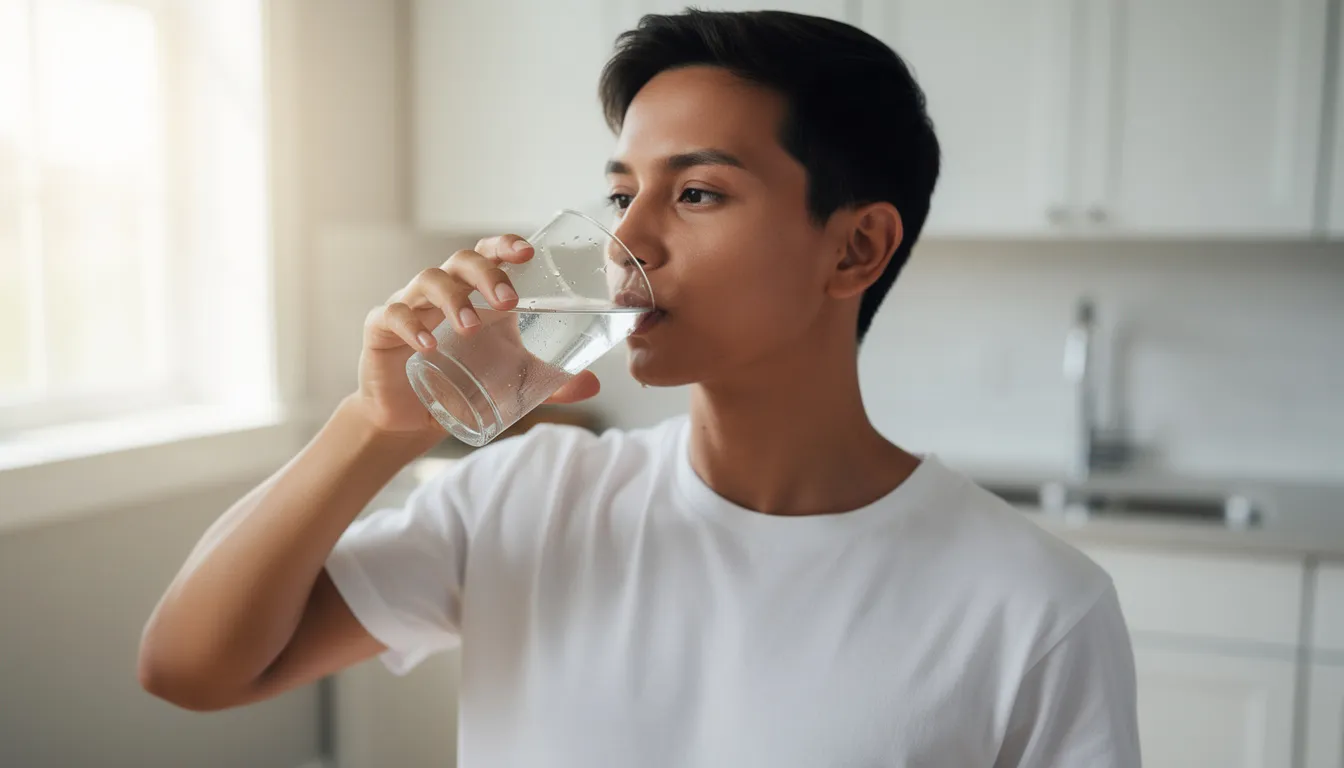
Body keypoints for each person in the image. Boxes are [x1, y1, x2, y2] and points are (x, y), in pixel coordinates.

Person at [139, 9, 1140, 766]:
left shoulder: (1035, 609)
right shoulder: (526, 501)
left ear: (856, 247)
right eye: (622, 193)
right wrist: (376, 427)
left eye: (697, 193)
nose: (624, 241)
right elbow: (189, 669)